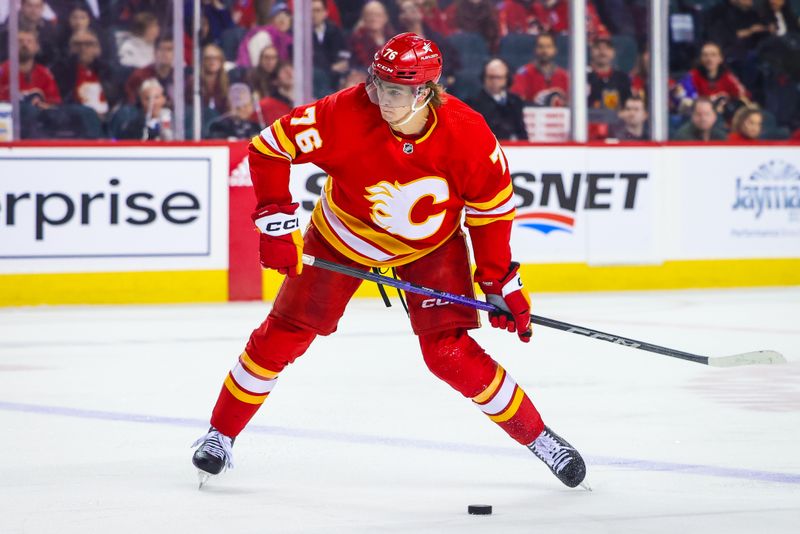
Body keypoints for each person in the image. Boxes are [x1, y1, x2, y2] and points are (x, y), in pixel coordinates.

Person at [191, 32, 588, 492]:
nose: (381, 98)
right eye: (378, 84)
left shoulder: (469, 133)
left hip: (430, 247)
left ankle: (541, 439)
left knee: (449, 354)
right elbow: (268, 148)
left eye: (396, 91)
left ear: (426, 92)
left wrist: (500, 282)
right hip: (343, 237)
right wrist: (277, 219)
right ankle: (220, 434)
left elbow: (491, 212)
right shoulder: (345, 111)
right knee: (285, 335)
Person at [468, 58, 527, 140]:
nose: (495, 81)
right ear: (483, 77)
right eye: (491, 77)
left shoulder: (515, 101)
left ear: (507, 78)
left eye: (499, 77)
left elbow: (521, 131)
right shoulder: (472, 102)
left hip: (512, 149)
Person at [510, 32, 569, 106]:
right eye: (541, 47)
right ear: (535, 50)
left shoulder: (564, 76)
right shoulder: (524, 73)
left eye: (548, 46)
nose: (544, 51)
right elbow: (516, 100)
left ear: (555, 50)